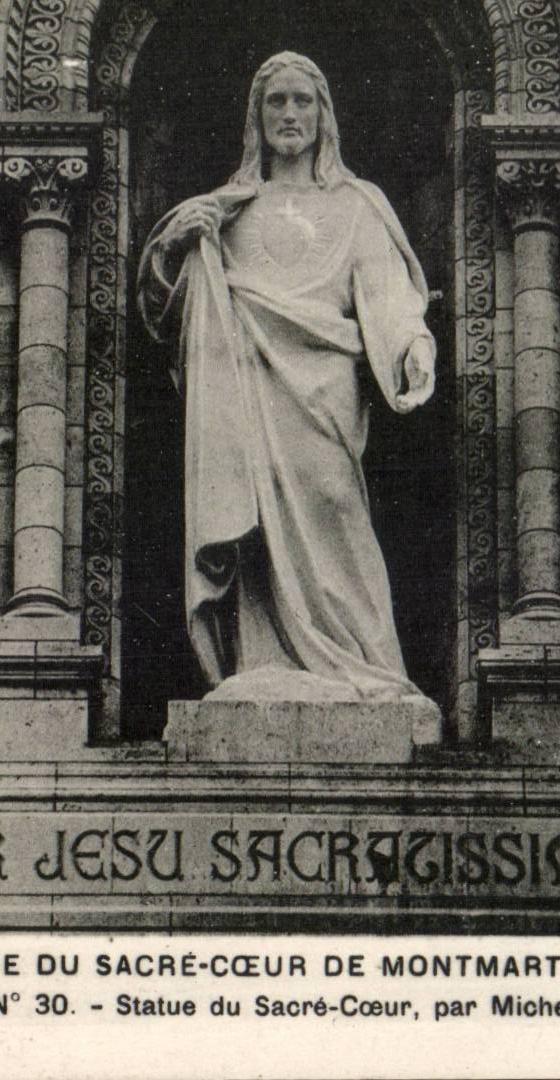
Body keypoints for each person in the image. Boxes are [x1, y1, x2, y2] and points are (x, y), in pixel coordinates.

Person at [137, 52, 436, 704]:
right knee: (260, 533)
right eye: (277, 102)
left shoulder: (356, 206)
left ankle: (366, 667)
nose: (290, 115)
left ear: (324, 115)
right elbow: (174, 311)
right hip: (246, 393)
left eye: (303, 101)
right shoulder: (227, 209)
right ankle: (263, 668)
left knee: (333, 509)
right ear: (256, 116)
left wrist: (411, 347)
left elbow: (386, 296)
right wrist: (173, 245)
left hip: (323, 389)